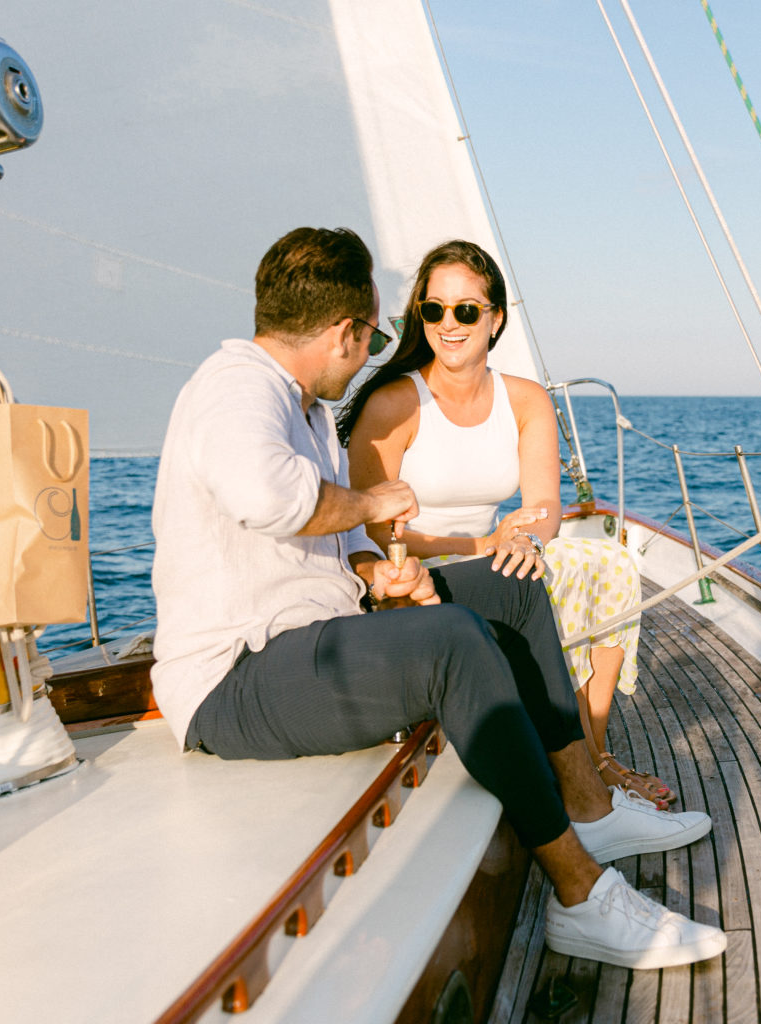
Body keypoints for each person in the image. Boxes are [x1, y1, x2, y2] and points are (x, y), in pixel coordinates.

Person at [150, 226, 724, 970]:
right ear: (344, 332)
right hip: (235, 678)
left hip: (315, 636)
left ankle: (590, 807)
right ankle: (581, 896)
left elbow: (318, 552)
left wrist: (375, 576)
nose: (374, 349)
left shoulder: (308, 410)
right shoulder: (236, 386)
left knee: (512, 585)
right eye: (376, 332)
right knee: (453, 637)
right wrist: (370, 503)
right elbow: (268, 497)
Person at [337, 239, 673, 808]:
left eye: (466, 310)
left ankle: (595, 751)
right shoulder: (395, 404)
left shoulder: (524, 399)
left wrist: (525, 540)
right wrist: (484, 543)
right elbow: (373, 532)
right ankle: (584, 768)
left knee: (611, 563)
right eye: (434, 309)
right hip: (414, 569)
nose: (449, 323)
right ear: (421, 316)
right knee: (524, 579)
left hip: (493, 548)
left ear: (494, 320)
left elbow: (544, 505)